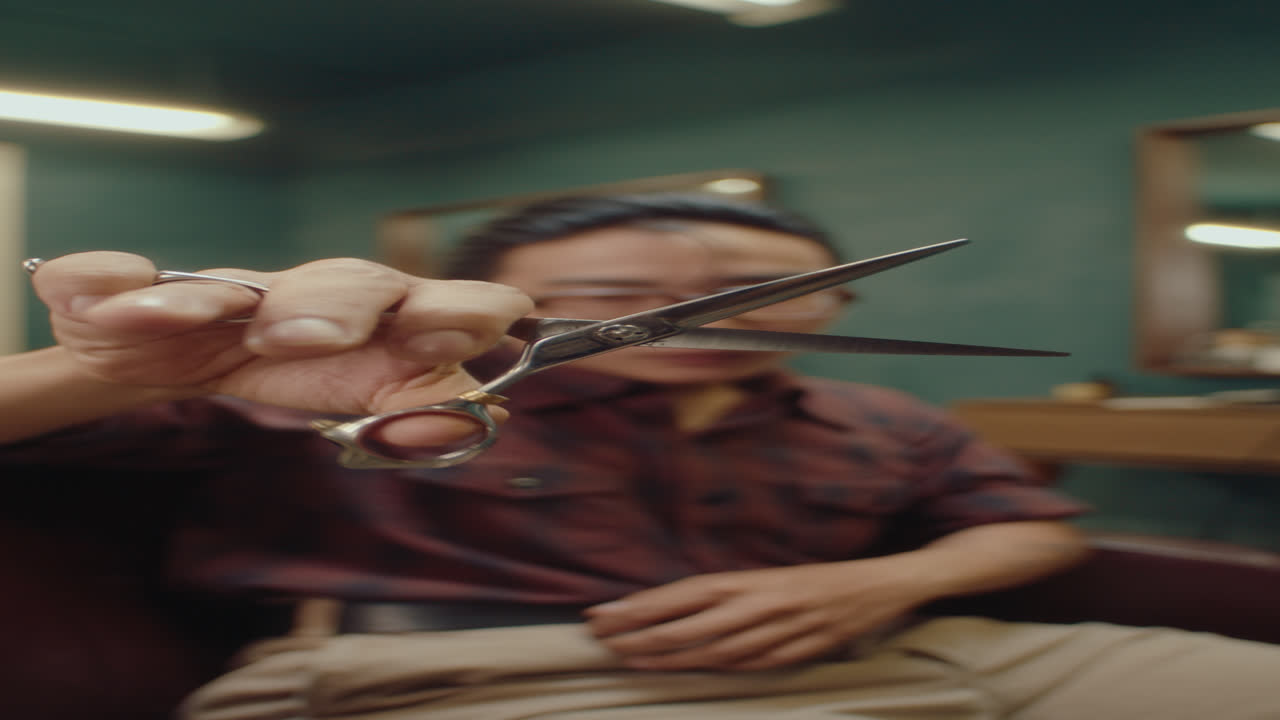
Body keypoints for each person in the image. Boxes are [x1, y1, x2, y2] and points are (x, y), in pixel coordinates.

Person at [3, 193, 1277, 719]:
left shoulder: (879, 419)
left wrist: (873, 584)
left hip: (915, 653)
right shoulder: (331, 388)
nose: (711, 315)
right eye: (614, 287)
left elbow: (1028, 524)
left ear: (831, 302)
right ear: (483, 295)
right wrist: (104, 368)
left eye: (768, 289)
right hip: (473, 681)